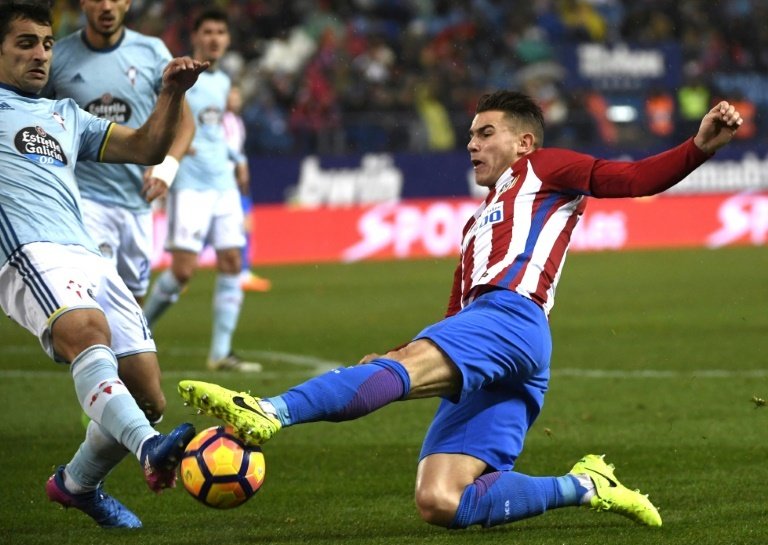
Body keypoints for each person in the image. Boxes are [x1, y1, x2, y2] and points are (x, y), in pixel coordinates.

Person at [178, 90, 743, 530]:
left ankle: (270, 410)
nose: (471, 144)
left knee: (398, 377)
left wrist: (697, 147)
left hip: (514, 319)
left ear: (523, 143)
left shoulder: (546, 168)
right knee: (441, 500)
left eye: (485, 133)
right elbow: (454, 317)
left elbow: (631, 178)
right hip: (501, 341)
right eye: (470, 135)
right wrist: (403, 352)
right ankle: (586, 486)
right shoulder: (477, 225)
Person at [0, 3, 207, 528]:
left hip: (85, 252)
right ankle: (150, 448)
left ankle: (75, 484)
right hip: (27, 249)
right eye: (25, 43)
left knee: (147, 391)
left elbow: (145, 146)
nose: (41, 55)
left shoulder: (64, 115)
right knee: (86, 332)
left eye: (46, 43)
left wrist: (171, 94)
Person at [44, 0, 195, 306]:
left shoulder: (152, 52)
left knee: (132, 305)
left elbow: (186, 123)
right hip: (85, 202)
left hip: (139, 203)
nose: (106, 7)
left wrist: (166, 169)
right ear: (83, 3)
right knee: (101, 302)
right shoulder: (57, 57)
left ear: (127, 3)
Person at [142, 8, 261, 372]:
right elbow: (157, 113)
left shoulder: (223, 81)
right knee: (182, 271)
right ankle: (136, 332)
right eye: (207, 31)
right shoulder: (180, 76)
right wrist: (165, 153)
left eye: (220, 32)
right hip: (190, 184)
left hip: (223, 184)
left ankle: (221, 352)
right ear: (195, 36)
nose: (214, 38)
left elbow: (219, 129)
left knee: (231, 262)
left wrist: (237, 159)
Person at [222, 84, 271, 293]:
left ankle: (244, 273)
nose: (237, 100)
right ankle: (180, 273)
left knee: (247, 224)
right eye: (232, 96)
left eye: (238, 96)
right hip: (223, 181)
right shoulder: (219, 121)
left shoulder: (237, 121)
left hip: (236, 180)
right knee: (210, 229)